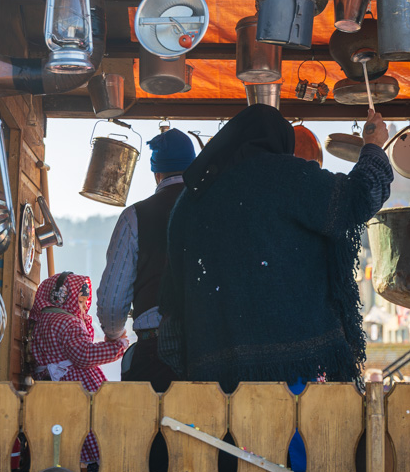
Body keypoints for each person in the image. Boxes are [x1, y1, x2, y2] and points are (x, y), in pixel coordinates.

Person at [158, 104, 393, 391]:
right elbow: (357, 198)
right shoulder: (287, 176)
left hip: (211, 378)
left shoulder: (191, 199)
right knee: (292, 433)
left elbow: (172, 296)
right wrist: (373, 147)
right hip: (295, 368)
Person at [97, 126, 196, 388]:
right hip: (208, 352)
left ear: (157, 173)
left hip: (155, 355)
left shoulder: (135, 216)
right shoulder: (217, 212)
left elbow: (111, 304)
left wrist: (116, 333)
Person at [28, 271, 128, 466]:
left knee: (66, 435)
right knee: (93, 426)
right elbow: (84, 355)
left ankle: (73, 467)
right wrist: (119, 345)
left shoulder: (42, 321)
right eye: (80, 301)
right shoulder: (69, 322)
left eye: (85, 302)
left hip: (51, 387)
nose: (83, 308)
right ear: (65, 297)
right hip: (76, 386)